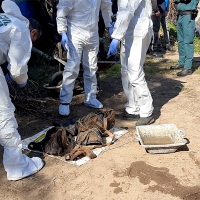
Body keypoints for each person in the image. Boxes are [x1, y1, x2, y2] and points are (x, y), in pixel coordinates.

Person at [0, 0, 44, 181]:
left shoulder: (5, 18)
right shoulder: (22, 30)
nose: (32, 42)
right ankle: (17, 166)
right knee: (4, 113)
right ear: (33, 32)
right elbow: (18, 69)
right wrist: (21, 82)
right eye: (35, 39)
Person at [56, 0, 113, 116]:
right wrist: (63, 32)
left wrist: (109, 25)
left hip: (92, 34)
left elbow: (106, 5)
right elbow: (62, 10)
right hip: (75, 34)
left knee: (92, 67)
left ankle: (90, 97)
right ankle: (65, 101)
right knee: (72, 67)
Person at [107, 0, 154, 126]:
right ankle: (133, 107)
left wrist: (116, 37)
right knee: (125, 72)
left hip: (139, 31)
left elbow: (127, 10)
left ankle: (146, 111)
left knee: (134, 72)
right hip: (128, 32)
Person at [170, 0, 199, 76]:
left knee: (188, 41)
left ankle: (188, 67)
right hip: (180, 15)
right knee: (181, 41)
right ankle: (181, 62)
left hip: (188, 15)